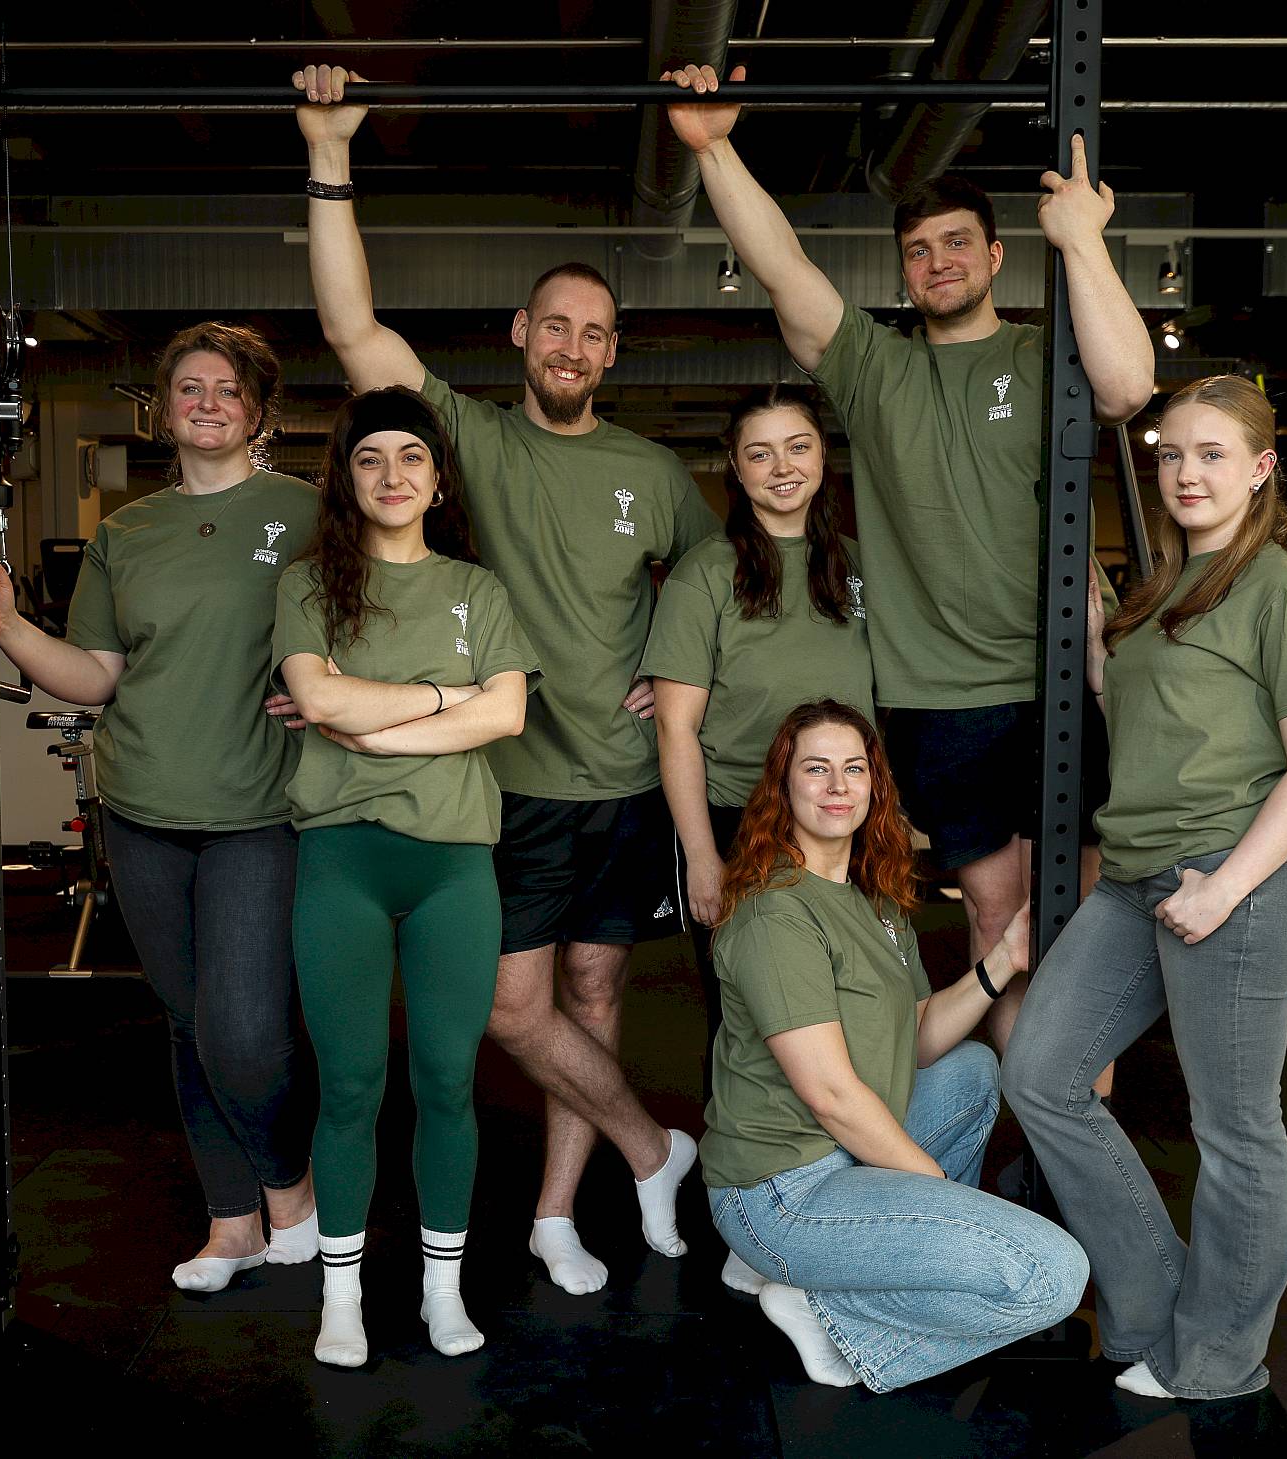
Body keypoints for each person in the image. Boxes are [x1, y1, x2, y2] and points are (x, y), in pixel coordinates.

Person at [293, 64, 720, 1296]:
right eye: (556, 326)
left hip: (623, 782)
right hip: (510, 777)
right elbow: (354, 333)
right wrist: (331, 155)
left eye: (596, 331)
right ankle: (653, 1147)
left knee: (595, 989)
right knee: (511, 1006)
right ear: (522, 336)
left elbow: (720, 585)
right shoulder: (469, 440)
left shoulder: (653, 471)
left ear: (614, 352)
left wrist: (672, 672)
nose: (574, 346)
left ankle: (554, 1215)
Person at [663, 66, 1155, 1055]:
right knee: (999, 921)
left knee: (1075, 924)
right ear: (903, 273)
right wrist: (714, 150)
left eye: (957, 243)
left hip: (1060, 681)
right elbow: (783, 267)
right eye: (919, 251)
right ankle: (1023, 1117)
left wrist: (1083, 241)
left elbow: (1129, 387)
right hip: (941, 702)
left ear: (996, 255)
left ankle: (1064, 1118)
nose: (938, 263)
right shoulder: (875, 368)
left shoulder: (1043, 356)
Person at [1002, 376, 1287, 1401]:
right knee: (1041, 1074)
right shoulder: (1159, 592)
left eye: (1211, 453)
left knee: (1235, 1131)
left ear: (1260, 468)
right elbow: (1146, 717)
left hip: (1237, 882)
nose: (1186, 472)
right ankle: (1154, 1305)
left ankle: (1219, 1357)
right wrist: (1099, 643)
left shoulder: (1286, 592)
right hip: (1134, 878)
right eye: (1170, 454)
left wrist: (1226, 888)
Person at [0, 321, 320, 1293]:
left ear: (258, 411)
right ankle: (232, 1222)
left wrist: (341, 690)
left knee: (246, 1030)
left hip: (258, 808)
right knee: (187, 1021)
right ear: (164, 408)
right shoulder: (125, 532)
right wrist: (8, 625)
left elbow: (371, 615)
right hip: (140, 808)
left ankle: (290, 1187)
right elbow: (96, 675)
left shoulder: (306, 511)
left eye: (227, 389)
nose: (207, 403)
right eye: (189, 388)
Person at [702, 699, 1088, 1391]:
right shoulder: (775, 912)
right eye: (816, 769)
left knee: (972, 1069)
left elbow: (918, 1038)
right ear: (782, 785)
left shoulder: (871, 897)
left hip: (841, 1154)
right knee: (1053, 1277)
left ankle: (856, 1281)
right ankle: (832, 1309)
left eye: (854, 768)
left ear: (875, 785)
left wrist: (1005, 956)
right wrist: (931, 1187)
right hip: (781, 1191)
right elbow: (831, 1094)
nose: (837, 786)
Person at [274, 386, 538, 1367]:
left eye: (411, 457)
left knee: (447, 1080)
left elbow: (506, 714)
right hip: (341, 856)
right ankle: (341, 1298)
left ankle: (441, 1290)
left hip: (453, 865)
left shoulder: (478, 590)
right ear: (347, 479)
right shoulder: (309, 585)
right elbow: (316, 697)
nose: (392, 475)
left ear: (438, 479)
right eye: (370, 458)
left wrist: (375, 725)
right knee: (349, 1083)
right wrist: (442, 695)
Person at [639, 383, 873, 1092]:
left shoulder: (860, 567)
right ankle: (742, 1161)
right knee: (746, 1021)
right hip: (742, 821)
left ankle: (848, 1157)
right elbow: (676, 727)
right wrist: (702, 858)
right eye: (760, 453)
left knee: (856, 1010)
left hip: (845, 819)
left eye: (798, 447)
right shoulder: (706, 574)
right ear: (735, 470)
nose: (782, 467)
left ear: (822, 456)